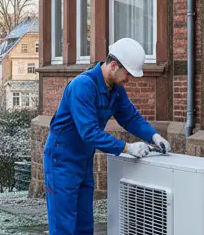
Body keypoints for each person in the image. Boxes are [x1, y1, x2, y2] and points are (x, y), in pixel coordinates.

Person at [43, 37, 171, 234]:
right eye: (127, 74)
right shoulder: (83, 86)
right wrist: (127, 148)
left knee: (84, 225)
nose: (129, 80)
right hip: (61, 160)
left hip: (83, 159)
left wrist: (154, 136)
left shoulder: (115, 89)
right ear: (113, 65)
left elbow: (130, 117)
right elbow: (89, 133)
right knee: (64, 226)